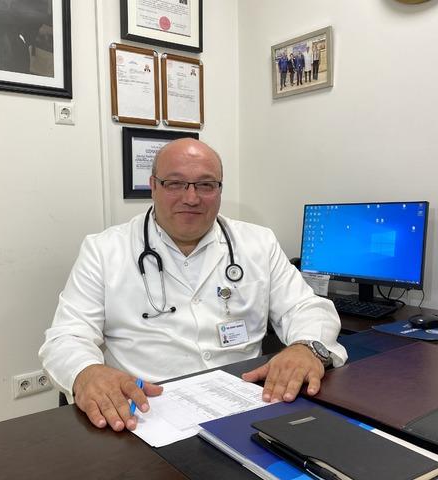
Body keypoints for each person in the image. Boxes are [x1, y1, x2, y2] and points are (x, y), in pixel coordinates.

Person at [39, 139, 347, 432]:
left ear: (219, 189)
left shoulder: (258, 243)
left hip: (245, 403)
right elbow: (67, 336)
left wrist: (307, 347)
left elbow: (306, 307)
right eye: (175, 183)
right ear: (153, 186)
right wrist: (86, 372)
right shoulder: (104, 250)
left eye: (205, 185)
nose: (191, 198)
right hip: (145, 411)